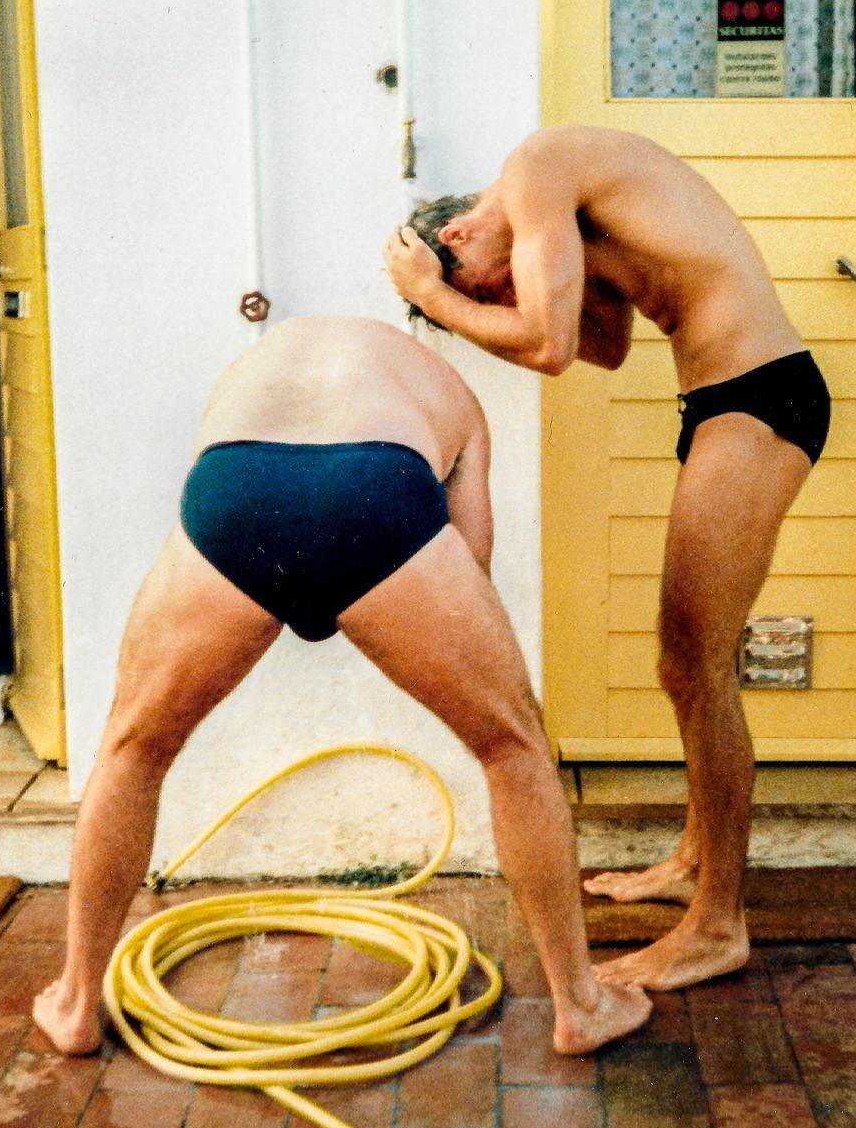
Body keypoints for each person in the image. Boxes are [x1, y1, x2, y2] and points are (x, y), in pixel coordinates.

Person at [32, 314, 651, 1057]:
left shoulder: (265, 361)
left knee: (133, 746)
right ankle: (581, 1004)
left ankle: (75, 1002)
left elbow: (215, 475)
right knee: (512, 747)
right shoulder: (450, 392)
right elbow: (472, 563)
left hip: (237, 487)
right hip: (375, 488)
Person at [382, 125, 831, 991]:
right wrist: (470, 302)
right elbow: (605, 346)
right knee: (683, 664)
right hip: (724, 400)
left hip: (761, 396)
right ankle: (695, 859)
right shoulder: (569, 219)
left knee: (697, 665)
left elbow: (547, 347)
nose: (507, 295)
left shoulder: (536, 167)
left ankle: (718, 927)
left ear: (458, 235)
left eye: (487, 286)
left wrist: (434, 298)